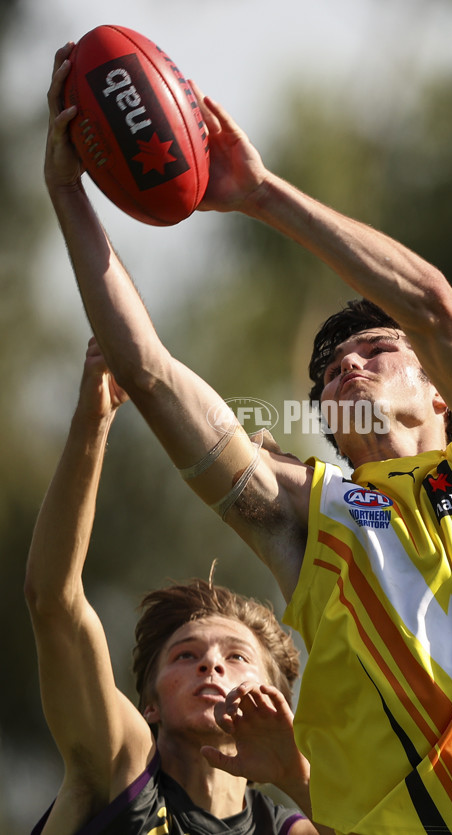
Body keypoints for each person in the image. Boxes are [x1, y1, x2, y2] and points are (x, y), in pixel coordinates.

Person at [44, 41, 452, 835]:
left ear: (439, 389)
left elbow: (436, 308)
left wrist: (261, 194)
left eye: (377, 351)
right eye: (331, 371)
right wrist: (66, 193)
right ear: (329, 424)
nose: (348, 368)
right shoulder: (314, 522)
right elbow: (151, 372)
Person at [25, 338, 331, 835]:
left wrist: (295, 775)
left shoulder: (290, 828)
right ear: (150, 706)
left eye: (237, 658)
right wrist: (92, 420)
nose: (211, 663)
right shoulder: (126, 770)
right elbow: (53, 600)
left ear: (276, 702)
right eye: (185, 655)